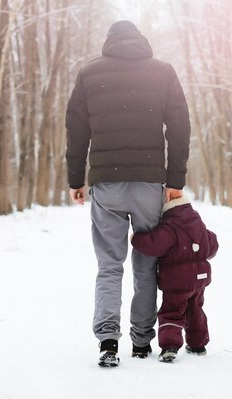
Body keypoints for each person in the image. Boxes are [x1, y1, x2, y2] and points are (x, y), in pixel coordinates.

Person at [65, 20, 191, 367]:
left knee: (109, 264)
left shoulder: (89, 74)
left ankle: (107, 340)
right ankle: (140, 341)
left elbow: (76, 129)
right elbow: (180, 125)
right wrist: (175, 179)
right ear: (141, 40)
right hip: (150, 183)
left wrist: (76, 178)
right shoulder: (162, 72)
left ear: (109, 42)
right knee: (147, 263)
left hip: (106, 182)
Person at [131, 193, 218, 363]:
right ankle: (198, 344)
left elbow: (154, 245)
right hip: (199, 279)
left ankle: (170, 346)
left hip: (177, 282)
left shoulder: (170, 226)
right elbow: (212, 245)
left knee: (172, 312)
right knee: (195, 310)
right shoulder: (197, 223)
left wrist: (136, 239)